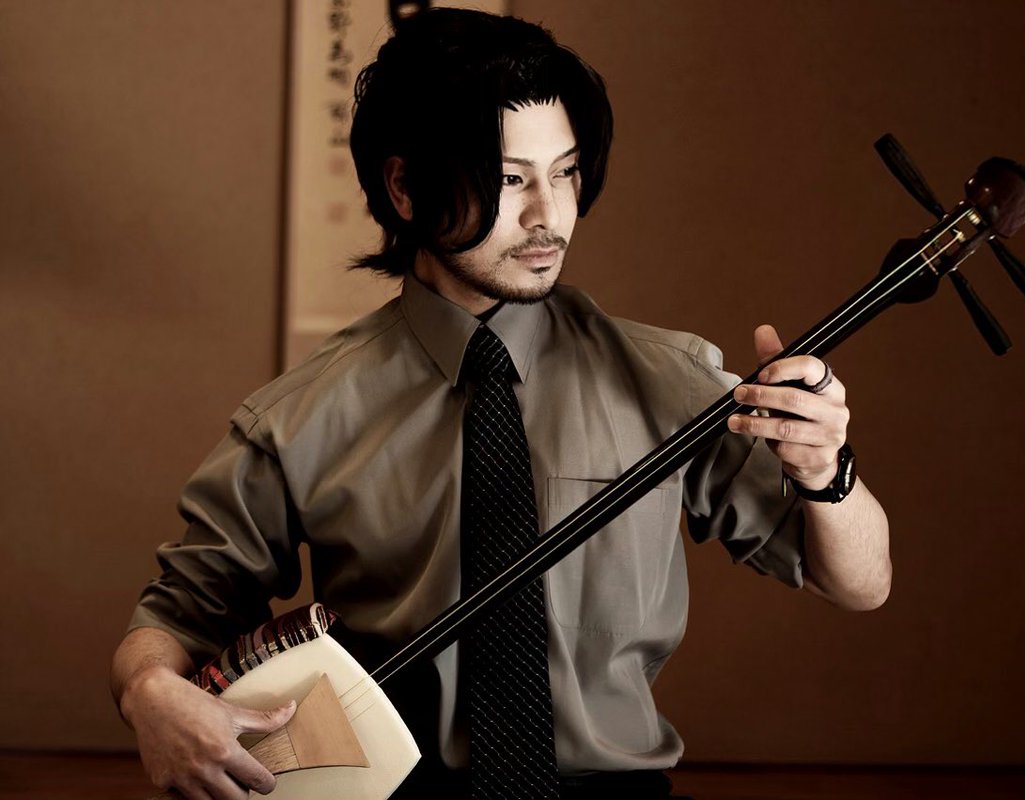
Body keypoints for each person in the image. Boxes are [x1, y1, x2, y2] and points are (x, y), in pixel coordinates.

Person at [110, 8, 890, 800]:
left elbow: (860, 583)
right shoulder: (299, 416)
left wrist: (828, 473)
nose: (548, 214)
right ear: (405, 187)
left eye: (566, 172)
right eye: (510, 179)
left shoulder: (668, 378)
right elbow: (174, 621)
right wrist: (150, 694)